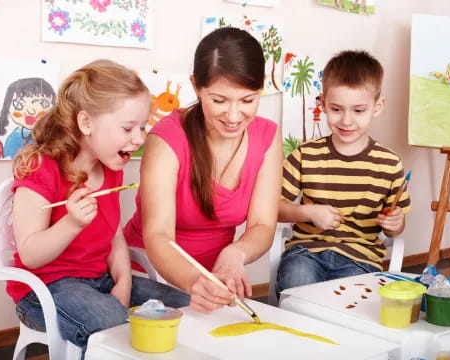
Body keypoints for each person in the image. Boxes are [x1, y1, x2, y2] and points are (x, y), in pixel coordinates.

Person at [8, 59, 190, 357]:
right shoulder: (40, 167)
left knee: (182, 304)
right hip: (44, 289)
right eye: (128, 128)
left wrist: (124, 280)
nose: (139, 138)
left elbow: (112, 233)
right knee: (111, 325)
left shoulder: (110, 167)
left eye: (143, 127)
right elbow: (30, 254)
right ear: (86, 123)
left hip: (99, 281)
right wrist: (71, 224)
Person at [124, 27, 283, 313]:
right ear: (196, 86)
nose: (234, 116)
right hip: (149, 273)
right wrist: (194, 281)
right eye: (219, 100)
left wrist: (236, 253)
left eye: (248, 100)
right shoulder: (166, 139)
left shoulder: (267, 137)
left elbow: (263, 225)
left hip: (216, 280)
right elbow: (158, 235)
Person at [276, 50, 411, 295]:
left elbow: (394, 229)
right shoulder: (305, 155)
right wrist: (308, 212)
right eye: (336, 109)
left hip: (360, 259)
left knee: (350, 301)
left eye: (358, 110)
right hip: (306, 251)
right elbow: (274, 207)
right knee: (297, 284)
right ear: (322, 103)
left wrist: (395, 223)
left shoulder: (389, 164)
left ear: (377, 107)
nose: (346, 121)